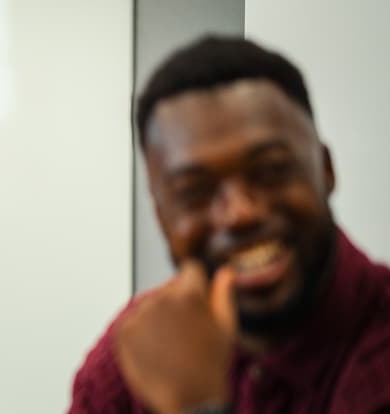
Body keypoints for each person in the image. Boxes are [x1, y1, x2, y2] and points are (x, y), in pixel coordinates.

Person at [70, 36, 390, 413]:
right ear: (161, 215)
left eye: (271, 170)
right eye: (195, 191)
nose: (240, 213)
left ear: (326, 170)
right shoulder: (131, 360)